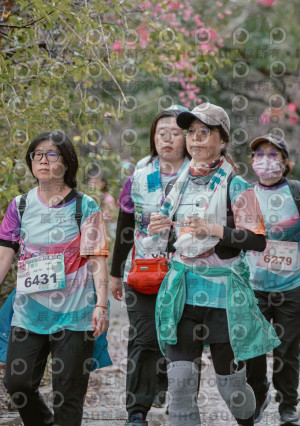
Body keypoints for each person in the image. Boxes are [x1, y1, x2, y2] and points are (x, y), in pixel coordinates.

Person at [146, 102, 279, 426]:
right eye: (191, 132)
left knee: (231, 388)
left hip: (223, 299)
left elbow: (257, 240)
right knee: (180, 385)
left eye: (204, 132)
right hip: (183, 294)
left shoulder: (237, 186)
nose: (195, 139)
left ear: (222, 140)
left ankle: (250, 417)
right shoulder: (176, 185)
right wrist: (157, 229)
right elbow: (173, 238)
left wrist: (215, 230)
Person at [0, 130, 110, 426]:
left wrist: (101, 305)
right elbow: (4, 254)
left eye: (52, 154)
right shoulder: (20, 206)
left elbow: (97, 259)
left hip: (75, 314)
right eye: (37, 155)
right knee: (18, 383)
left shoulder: (85, 207)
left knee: (68, 397)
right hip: (29, 313)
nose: (43, 161)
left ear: (67, 161)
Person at [109, 105, 190, 426]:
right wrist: (115, 273)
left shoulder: (201, 176)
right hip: (142, 271)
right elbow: (124, 227)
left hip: (187, 273)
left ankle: (175, 395)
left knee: (179, 338)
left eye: (175, 133)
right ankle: (136, 411)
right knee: (144, 338)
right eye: (161, 133)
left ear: (188, 138)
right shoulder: (139, 177)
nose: (167, 139)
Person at [245, 134, 300, 425]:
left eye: (273, 154)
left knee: (286, 348)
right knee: (253, 346)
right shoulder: (244, 195)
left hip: (295, 284)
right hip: (253, 286)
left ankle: (288, 405)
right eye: (260, 154)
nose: (265, 160)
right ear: (252, 161)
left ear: (285, 161)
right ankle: (258, 393)